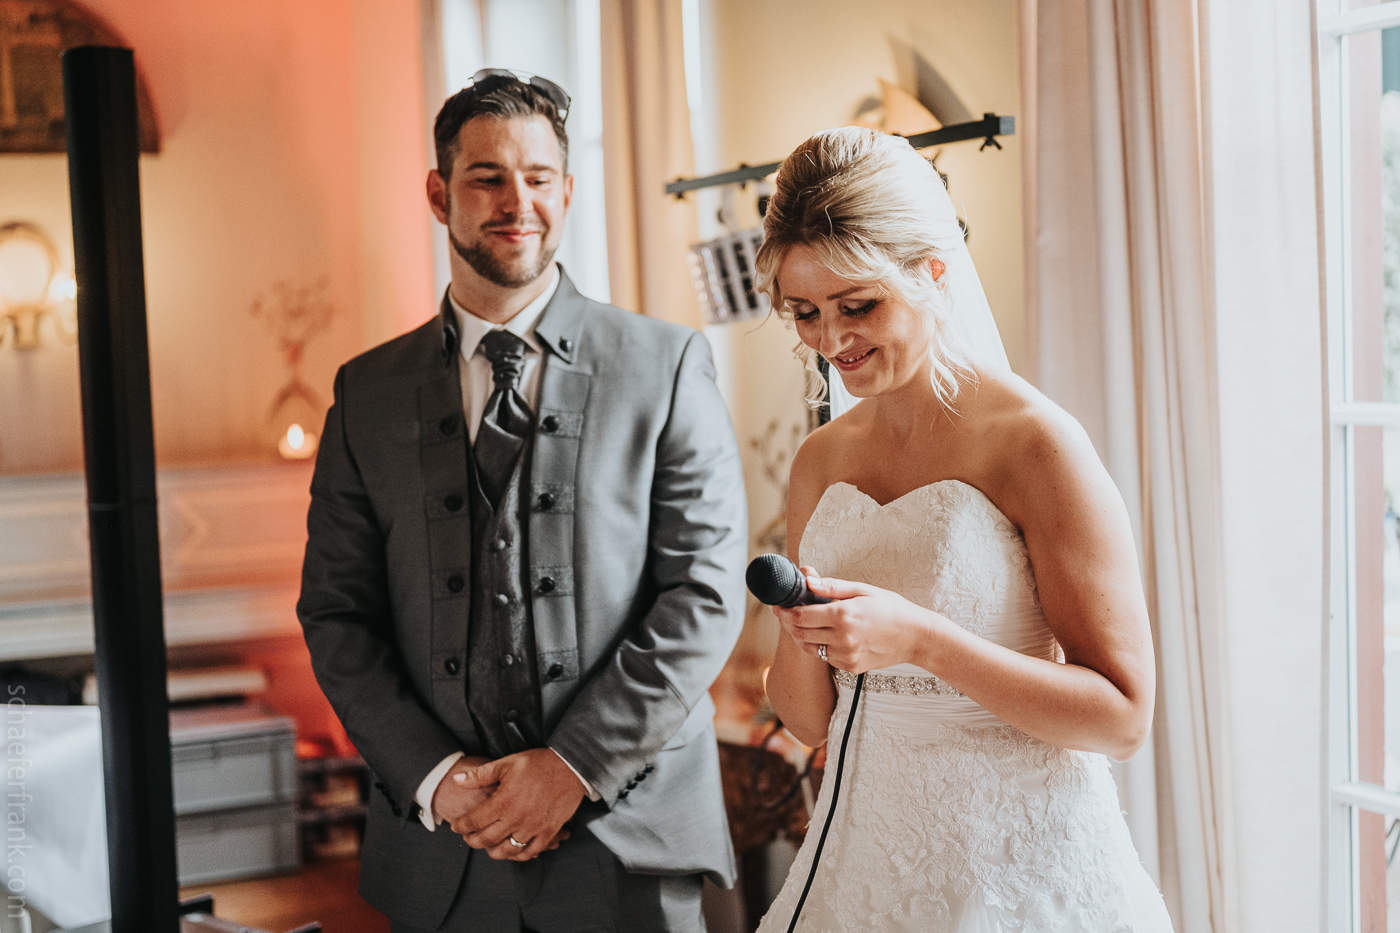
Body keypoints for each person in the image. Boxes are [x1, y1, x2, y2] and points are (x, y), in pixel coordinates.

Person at [297, 69, 747, 933]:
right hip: (441, 855)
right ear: (439, 194)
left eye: (539, 178)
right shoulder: (366, 392)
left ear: (567, 191)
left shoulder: (667, 365)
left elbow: (704, 593)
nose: (518, 203)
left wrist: (573, 765)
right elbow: (337, 612)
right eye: (487, 178)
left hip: (630, 843)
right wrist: (436, 777)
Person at [753, 127, 1174, 932]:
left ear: (932, 272)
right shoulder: (819, 460)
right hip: (865, 862)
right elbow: (808, 719)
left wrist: (922, 640)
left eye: (858, 306)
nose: (831, 341)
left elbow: (1122, 717)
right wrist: (802, 625)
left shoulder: (1036, 443)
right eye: (806, 313)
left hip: (1016, 867)